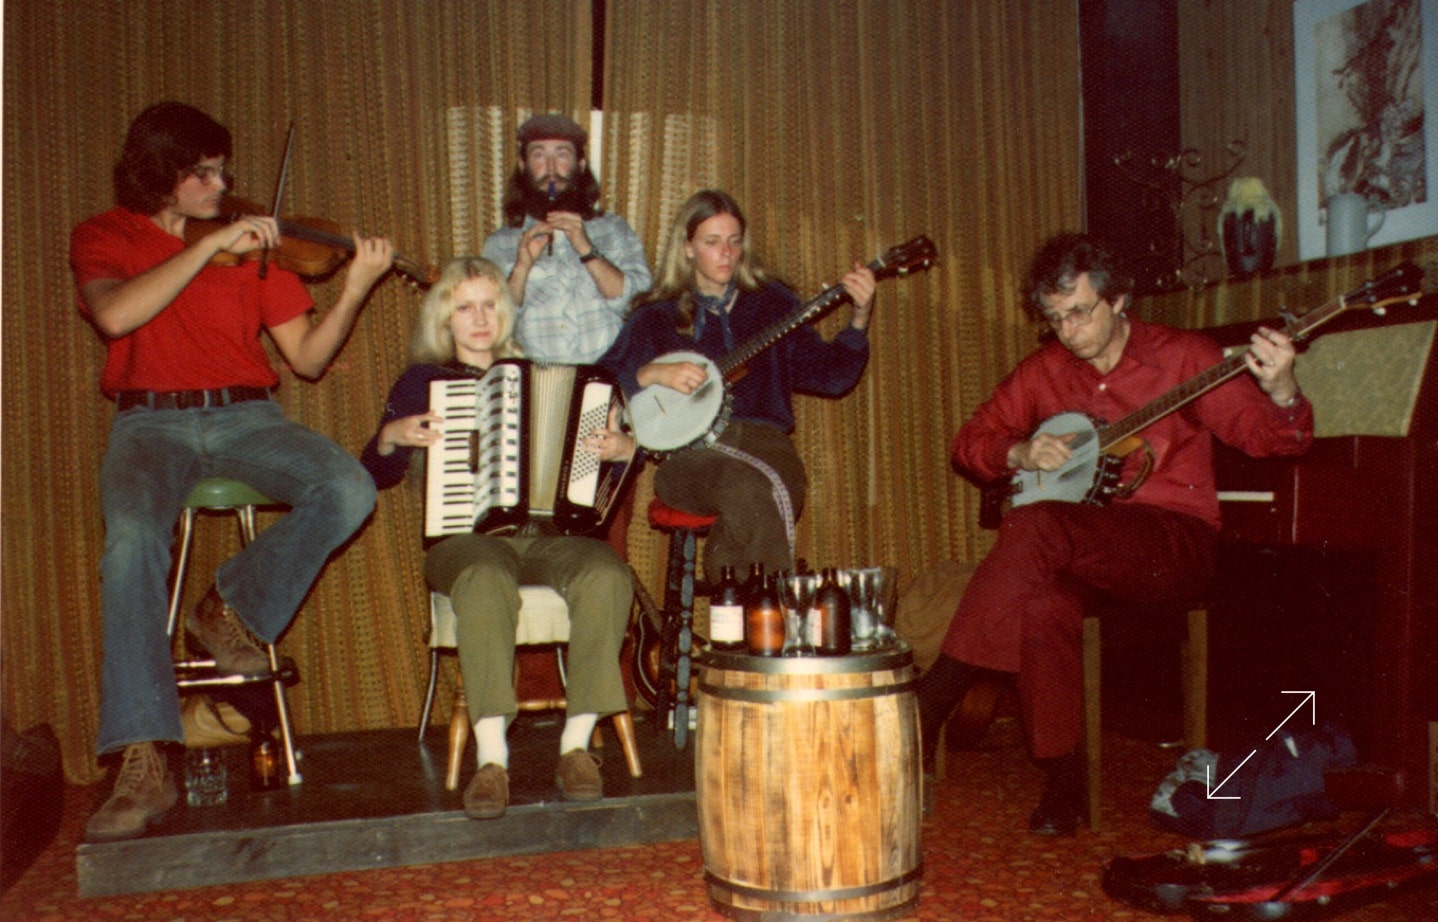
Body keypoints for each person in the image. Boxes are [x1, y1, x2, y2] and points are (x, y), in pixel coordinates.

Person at [70, 101, 396, 842]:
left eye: (223, 169)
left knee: (346, 486)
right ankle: (145, 758)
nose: (223, 184)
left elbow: (307, 359)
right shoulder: (105, 236)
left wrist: (354, 289)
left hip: (248, 416)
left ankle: (230, 607)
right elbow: (116, 316)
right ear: (162, 175)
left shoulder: (255, 247)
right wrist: (202, 248)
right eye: (205, 173)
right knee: (129, 543)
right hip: (149, 423)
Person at [916, 233, 1313, 835]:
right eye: (1054, 319)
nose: (1068, 330)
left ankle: (932, 699)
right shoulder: (1045, 369)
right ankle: (1064, 779)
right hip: (1082, 545)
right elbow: (970, 443)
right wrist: (1021, 449)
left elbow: (1273, 440)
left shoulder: (1185, 357)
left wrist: (1282, 388)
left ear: (1120, 299)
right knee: (1044, 603)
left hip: (1172, 540)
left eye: (1079, 312)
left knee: (1036, 524)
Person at [360, 256, 635, 820]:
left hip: (545, 534)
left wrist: (623, 452)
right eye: (465, 307)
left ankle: (576, 746)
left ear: (505, 314)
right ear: (445, 318)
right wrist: (392, 436)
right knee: (484, 577)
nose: (480, 318)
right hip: (463, 539)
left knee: (607, 572)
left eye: (490, 305)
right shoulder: (423, 382)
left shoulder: (538, 373)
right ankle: (492, 757)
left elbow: (596, 474)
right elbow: (376, 471)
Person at [600, 189, 877, 579]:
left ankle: (734, 610)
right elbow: (598, 388)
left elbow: (831, 377)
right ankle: (767, 620)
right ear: (688, 248)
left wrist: (860, 318)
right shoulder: (655, 317)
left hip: (768, 447)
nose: (726, 253)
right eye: (712, 242)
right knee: (747, 487)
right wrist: (650, 374)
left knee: (753, 489)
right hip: (689, 459)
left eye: (734, 241)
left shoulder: (773, 305)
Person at [481, 113, 652, 556]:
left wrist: (586, 247)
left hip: (607, 392)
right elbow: (493, 324)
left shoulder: (612, 230)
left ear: (579, 163)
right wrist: (521, 265)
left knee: (605, 537)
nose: (552, 167)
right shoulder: (499, 242)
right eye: (539, 155)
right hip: (534, 401)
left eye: (562, 154)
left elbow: (635, 301)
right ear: (524, 166)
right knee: (534, 532)